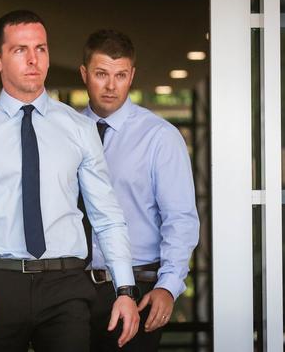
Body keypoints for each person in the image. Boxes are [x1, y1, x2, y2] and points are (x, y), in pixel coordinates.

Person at [0, 10, 139, 352]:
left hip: (66, 284)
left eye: (41, 49)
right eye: (20, 50)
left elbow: (107, 215)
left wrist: (125, 289)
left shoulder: (79, 129)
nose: (33, 60)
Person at [79, 29, 200, 352]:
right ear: (84, 73)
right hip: (71, 289)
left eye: (120, 75)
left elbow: (181, 219)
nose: (110, 86)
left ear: (132, 75)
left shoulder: (159, 137)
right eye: (101, 74)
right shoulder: (67, 131)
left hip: (138, 286)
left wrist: (169, 287)